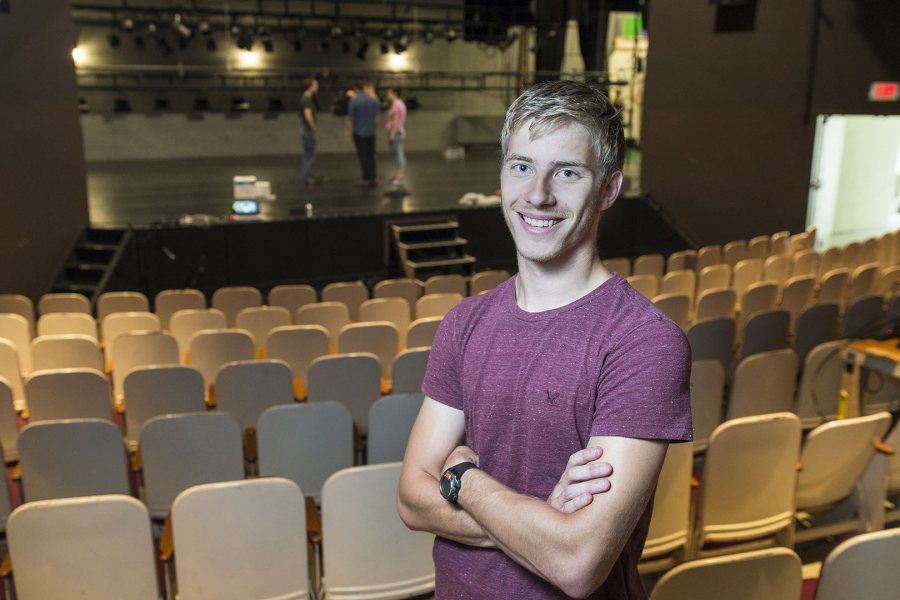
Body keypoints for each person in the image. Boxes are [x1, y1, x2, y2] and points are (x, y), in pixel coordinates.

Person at [397, 80, 692, 599]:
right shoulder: (464, 323)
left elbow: (576, 562)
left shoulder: (645, 343)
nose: (538, 194)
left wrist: (464, 479)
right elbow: (411, 498)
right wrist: (540, 521)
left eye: (568, 172)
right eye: (522, 166)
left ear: (608, 189)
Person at [345, 81, 380, 187]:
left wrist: (348, 131)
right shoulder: (375, 101)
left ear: (357, 89)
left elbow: (350, 119)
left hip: (359, 132)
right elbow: (377, 119)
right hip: (371, 132)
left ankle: (366, 178)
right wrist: (374, 129)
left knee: (363, 156)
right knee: (371, 155)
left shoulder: (354, 101)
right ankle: (373, 177)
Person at [385, 87, 407, 185]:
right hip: (398, 130)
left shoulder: (396, 104)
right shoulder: (400, 103)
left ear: (394, 93)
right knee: (398, 152)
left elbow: (395, 119)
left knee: (398, 153)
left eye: (389, 93)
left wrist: (392, 133)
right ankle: (399, 175)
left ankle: (399, 176)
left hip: (396, 131)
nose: (387, 95)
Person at [300, 78, 319, 185]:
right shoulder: (306, 99)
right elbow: (308, 116)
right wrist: (313, 127)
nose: (317, 87)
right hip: (308, 130)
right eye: (315, 85)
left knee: (309, 153)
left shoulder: (307, 98)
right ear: (310, 86)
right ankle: (308, 176)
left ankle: (310, 175)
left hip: (307, 129)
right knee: (309, 154)